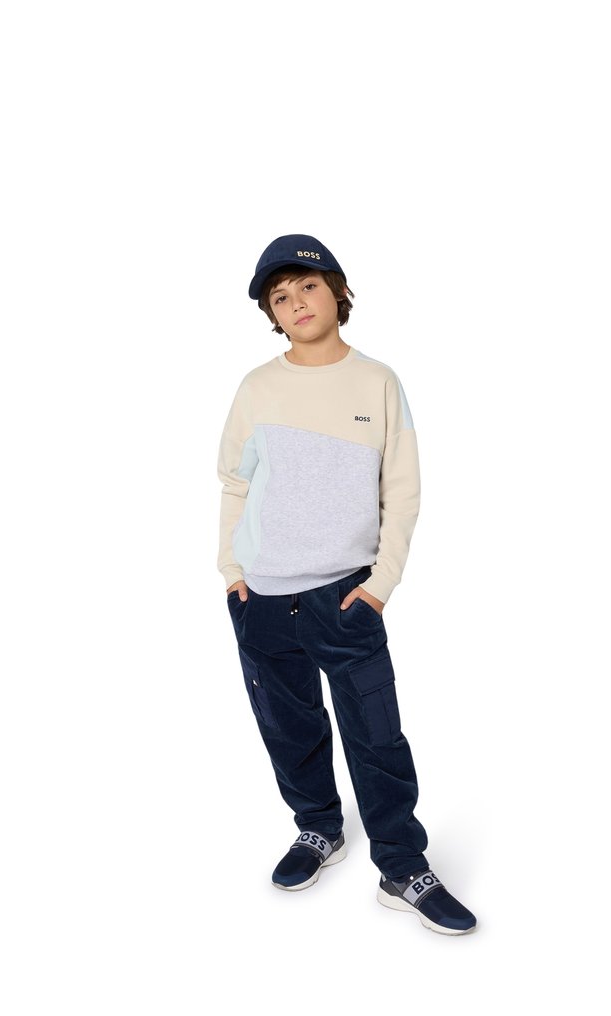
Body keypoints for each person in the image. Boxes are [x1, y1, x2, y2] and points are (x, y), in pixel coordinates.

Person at [217, 233, 477, 936]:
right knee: (288, 726)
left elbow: (403, 489)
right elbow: (234, 482)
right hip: (262, 599)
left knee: (377, 734)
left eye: (307, 286)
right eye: (280, 297)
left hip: (345, 595)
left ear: (336, 290)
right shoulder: (257, 388)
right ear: (272, 315)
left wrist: (381, 583)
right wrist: (233, 572)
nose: (296, 303)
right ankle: (319, 828)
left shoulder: (377, 382)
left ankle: (402, 865)